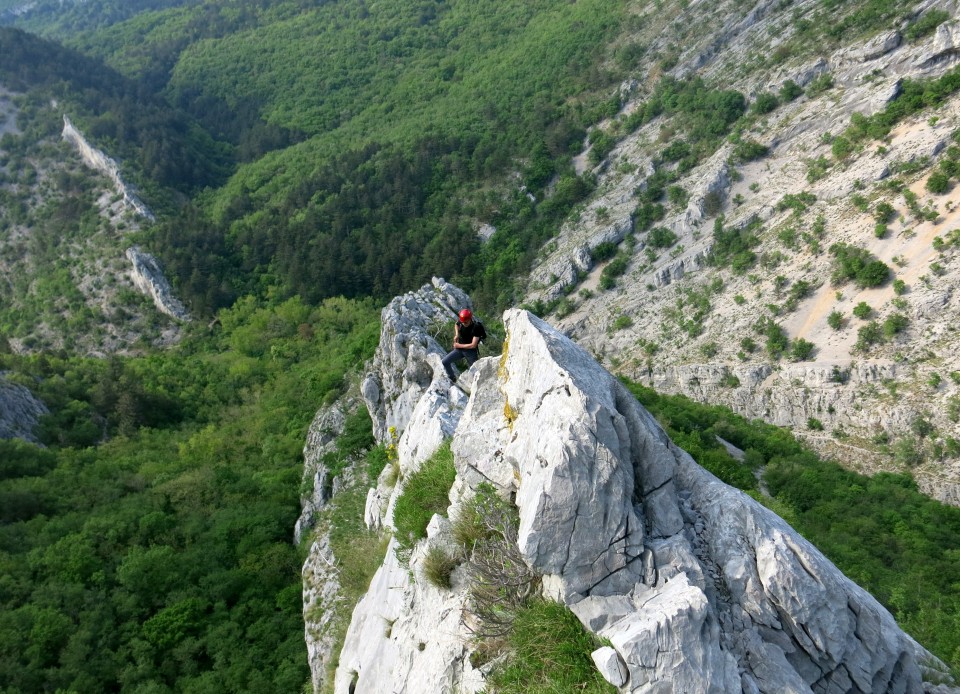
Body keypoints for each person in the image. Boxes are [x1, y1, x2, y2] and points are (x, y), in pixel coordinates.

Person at [442, 308, 486, 383]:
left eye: (465, 322)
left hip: (470, 352)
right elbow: (456, 324)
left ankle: (479, 386)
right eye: (462, 322)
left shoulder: (476, 327)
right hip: (460, 349)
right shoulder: (462, 321)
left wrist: (458, 346)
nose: (463, 324)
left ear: (470, 319)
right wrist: (457, 334)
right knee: (445, 361)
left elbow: (473, 345)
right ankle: (452, 378)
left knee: (476, 372)